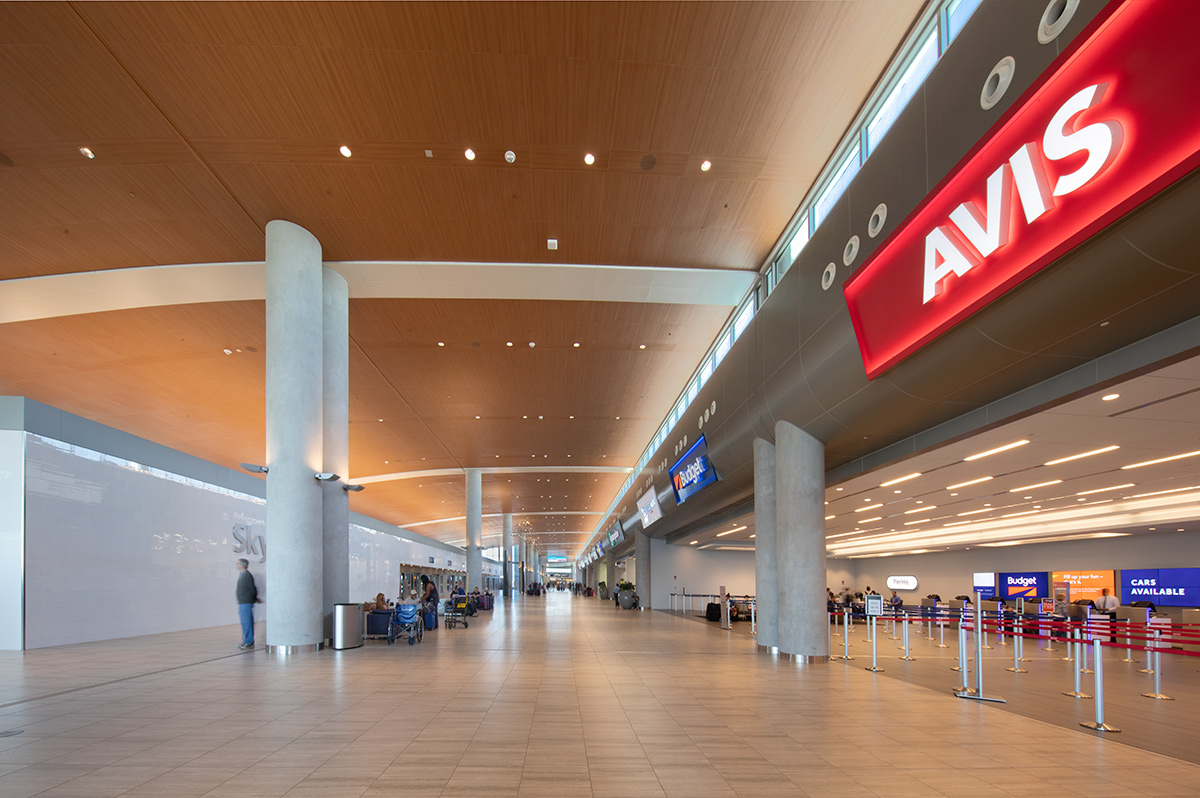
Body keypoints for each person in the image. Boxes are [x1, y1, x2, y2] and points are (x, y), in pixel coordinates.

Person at [234, 558, 261, 650]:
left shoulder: (247, 575)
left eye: (237, 563)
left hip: (246, 602)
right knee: (244, 622)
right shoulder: (242, 575)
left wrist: (252, 599)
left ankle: (249, 641)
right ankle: (245, 641)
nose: (236, 565)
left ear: (241, 565)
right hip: (243, 602)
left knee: (247, 622)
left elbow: (252, 589)